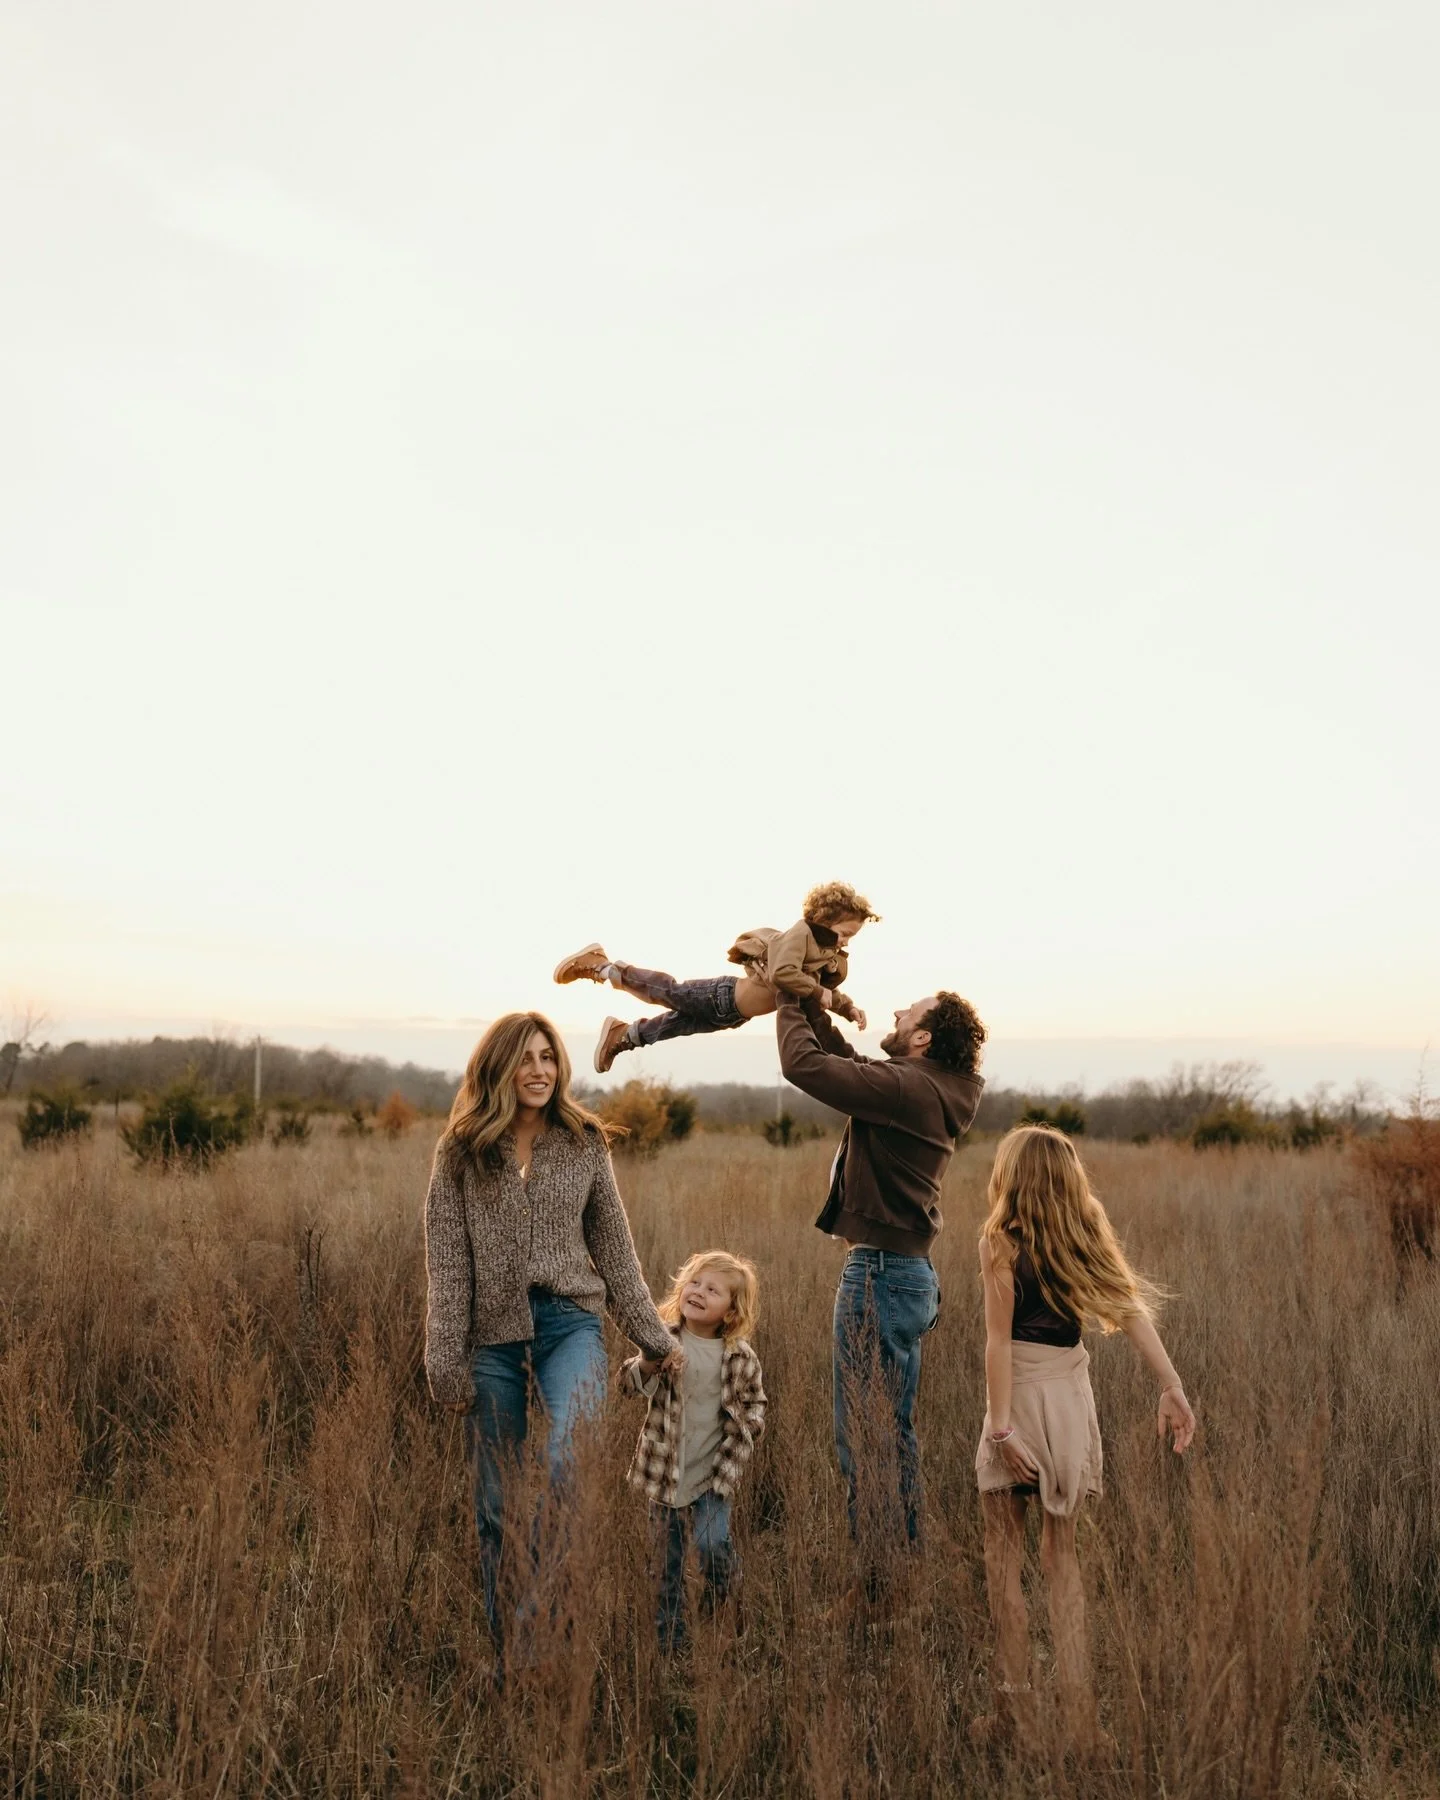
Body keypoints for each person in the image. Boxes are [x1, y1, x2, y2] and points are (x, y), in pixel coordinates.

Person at [422, 1011, 678, 1655]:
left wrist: (656, 1340)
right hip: (492, 1340)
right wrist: (444, 1360)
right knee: (496, 1507)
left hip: (571, 1327)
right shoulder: (462, 1150)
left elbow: (615, 1253)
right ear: (498, 1068)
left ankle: (535, 1631)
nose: (539, 1072)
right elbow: (448, 1263)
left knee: (572, 1459)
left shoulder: (585, 1140)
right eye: (525, 1060)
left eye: (548, 1058)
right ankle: (509, 1651)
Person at [974, 1125, 1196, 1753]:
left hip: (1016, 1400)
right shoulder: (1085, 1237)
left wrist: (1000, 1428)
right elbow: (1129, 1312)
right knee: (1062, 1565)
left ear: (1010, 1176)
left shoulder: (999, 1243)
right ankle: (1080, 1725)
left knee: (1005, 1564)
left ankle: (1012, 1720)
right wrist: (1171, 1386)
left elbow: (998, 1342)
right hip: (1069, 1405)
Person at [776, 988, 986, 1561]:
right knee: (889, 1434)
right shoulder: (925, 1088)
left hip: (881, 1276)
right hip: (904, 1275)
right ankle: (902, 1570)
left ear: (922, 1039)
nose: (895, 1013)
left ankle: (879, 1583)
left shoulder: (909, 1088)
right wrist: (810, 1002)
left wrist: (787, 994)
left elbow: (805, 1066)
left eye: (908, 1014)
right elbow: (847, 1064)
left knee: (866, 1439)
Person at [551, 880, 879, 1074]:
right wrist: (818, 992)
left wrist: (847, 1008)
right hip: (721, 995)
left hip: (733, 1015)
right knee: (663, 990)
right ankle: (602, 965)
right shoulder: (801, 934)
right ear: (824, 918)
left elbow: (819, 991)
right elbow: (782, 973)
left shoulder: (821, 955)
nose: (846, 942)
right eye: (844, 932)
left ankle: (625, 1035)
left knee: (675, 1026)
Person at [619, 1250, 767, 1652]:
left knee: (711, 1544)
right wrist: (651, 1363)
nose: (698, 1292)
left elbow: (756, 1405)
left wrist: (745, 1431)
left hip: (713, 1476)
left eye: (713, 1290)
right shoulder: (664, 1341)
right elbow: (628, 1384)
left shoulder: (739, 1357)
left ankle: (724, 1605)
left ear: (731, 1313)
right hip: (665, 1474)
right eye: (695, 1283)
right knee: (664, 1562)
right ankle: (671, 1641)